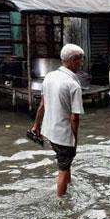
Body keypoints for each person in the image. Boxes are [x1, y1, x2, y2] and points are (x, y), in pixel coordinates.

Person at [27, 44, 85, 196]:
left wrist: (36, 126)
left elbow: (42, 105)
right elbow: (75, 117)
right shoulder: (73, 85)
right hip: (63, 135)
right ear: (72, 60)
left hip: (49, 131)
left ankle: (69, 185)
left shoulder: (49, 76)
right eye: (80, 60)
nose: (81, 63)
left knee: (65, 162)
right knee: (63, 170)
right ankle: (60, 201)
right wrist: (74, 140)